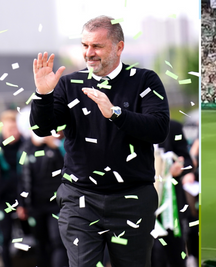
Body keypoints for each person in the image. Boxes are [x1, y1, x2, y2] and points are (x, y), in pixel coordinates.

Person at [30, 15, 170, 267]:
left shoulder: (145, 80)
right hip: (79, 199)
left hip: (132, 200)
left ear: (119, 47)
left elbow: (159, 129)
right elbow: (41, 128)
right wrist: (43, 94)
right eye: (84, 45)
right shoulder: (68, 84)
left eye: (97, 46)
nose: (89, 53)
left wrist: (115, 113)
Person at [16, 133, 68, 267]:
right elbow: (21, 178)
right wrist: (21, 204)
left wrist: (55, 147)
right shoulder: (25, 150)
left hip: (55, 205)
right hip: (35, 205)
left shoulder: (56, 148)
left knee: (57, 240)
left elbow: (66, 168)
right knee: (41, 242)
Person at [151, 120, 193, 267]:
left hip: (170, 205)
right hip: (142, 205)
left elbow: (187, 160)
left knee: (176, 253)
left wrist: (179, 167)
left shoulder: (173, 128)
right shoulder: (129, 127)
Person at [0, 110, 25, 267]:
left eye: (15, 129)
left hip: (26, 199)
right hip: (3, 201)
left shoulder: (26, 147)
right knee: (5, 237)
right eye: (9, 130)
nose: (13, 133)